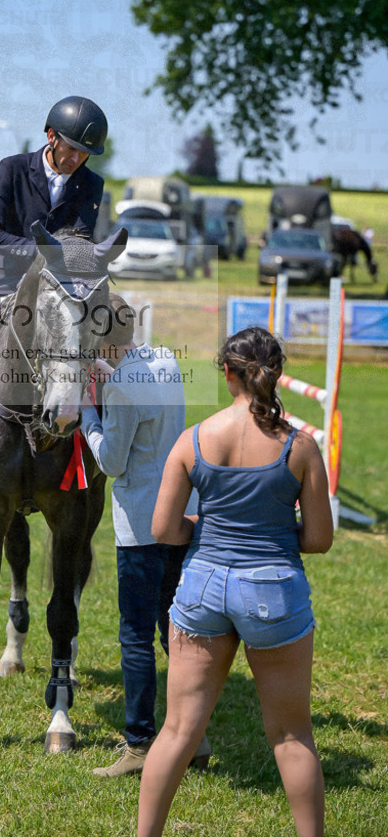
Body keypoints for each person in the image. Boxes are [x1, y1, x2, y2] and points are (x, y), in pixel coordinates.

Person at [138, 326, 333, 837]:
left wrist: (205, 531)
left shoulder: (193, 439)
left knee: (178, 731)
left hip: (201, 586)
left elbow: (163, 529)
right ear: (278, 372)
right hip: (274, 589)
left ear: (227, 374)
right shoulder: (301, 447)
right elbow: (318, 539)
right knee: (292, 736)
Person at [0, 95, 108, 478]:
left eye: (85, 153)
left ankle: (100, 440)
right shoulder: (12, 169)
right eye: (72, 149)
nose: (77, 159)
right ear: (50, 136)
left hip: (59, 291)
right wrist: (37, 252)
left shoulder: (92, 184)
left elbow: (81, 243)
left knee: (95, 350)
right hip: (6, 283)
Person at [79, 294, 210, 778]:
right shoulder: (166, 361)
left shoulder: (117, 390)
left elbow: (111, 463)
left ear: (100, 341)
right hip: (182, 513)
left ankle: (138, 744)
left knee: (135, 635)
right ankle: (192, 735)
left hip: (139, 522)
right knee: (174, 631)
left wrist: (90, 415)